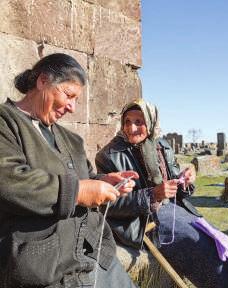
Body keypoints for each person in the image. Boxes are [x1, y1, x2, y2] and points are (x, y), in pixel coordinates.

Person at [0, 53, 139, 288]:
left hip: (93, 255)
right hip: (44, 267)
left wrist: (105, 181)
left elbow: (85, 178)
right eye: (69, 95)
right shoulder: (6, 123)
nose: (73, 107)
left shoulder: (70, 139)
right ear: (43, 81)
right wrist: (77, 192)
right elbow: (9, 180)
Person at [95, 98, 228, 288]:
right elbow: (109, 205)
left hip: (174, 210)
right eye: (127, 121)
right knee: (201, 247)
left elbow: (176, 191)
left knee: (218, 242)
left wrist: (184, 181)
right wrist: (152, 195)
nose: (131, 128)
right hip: (145, 222)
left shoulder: (161, 146)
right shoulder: (108, 155)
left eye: (139, 122)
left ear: (151, 121)